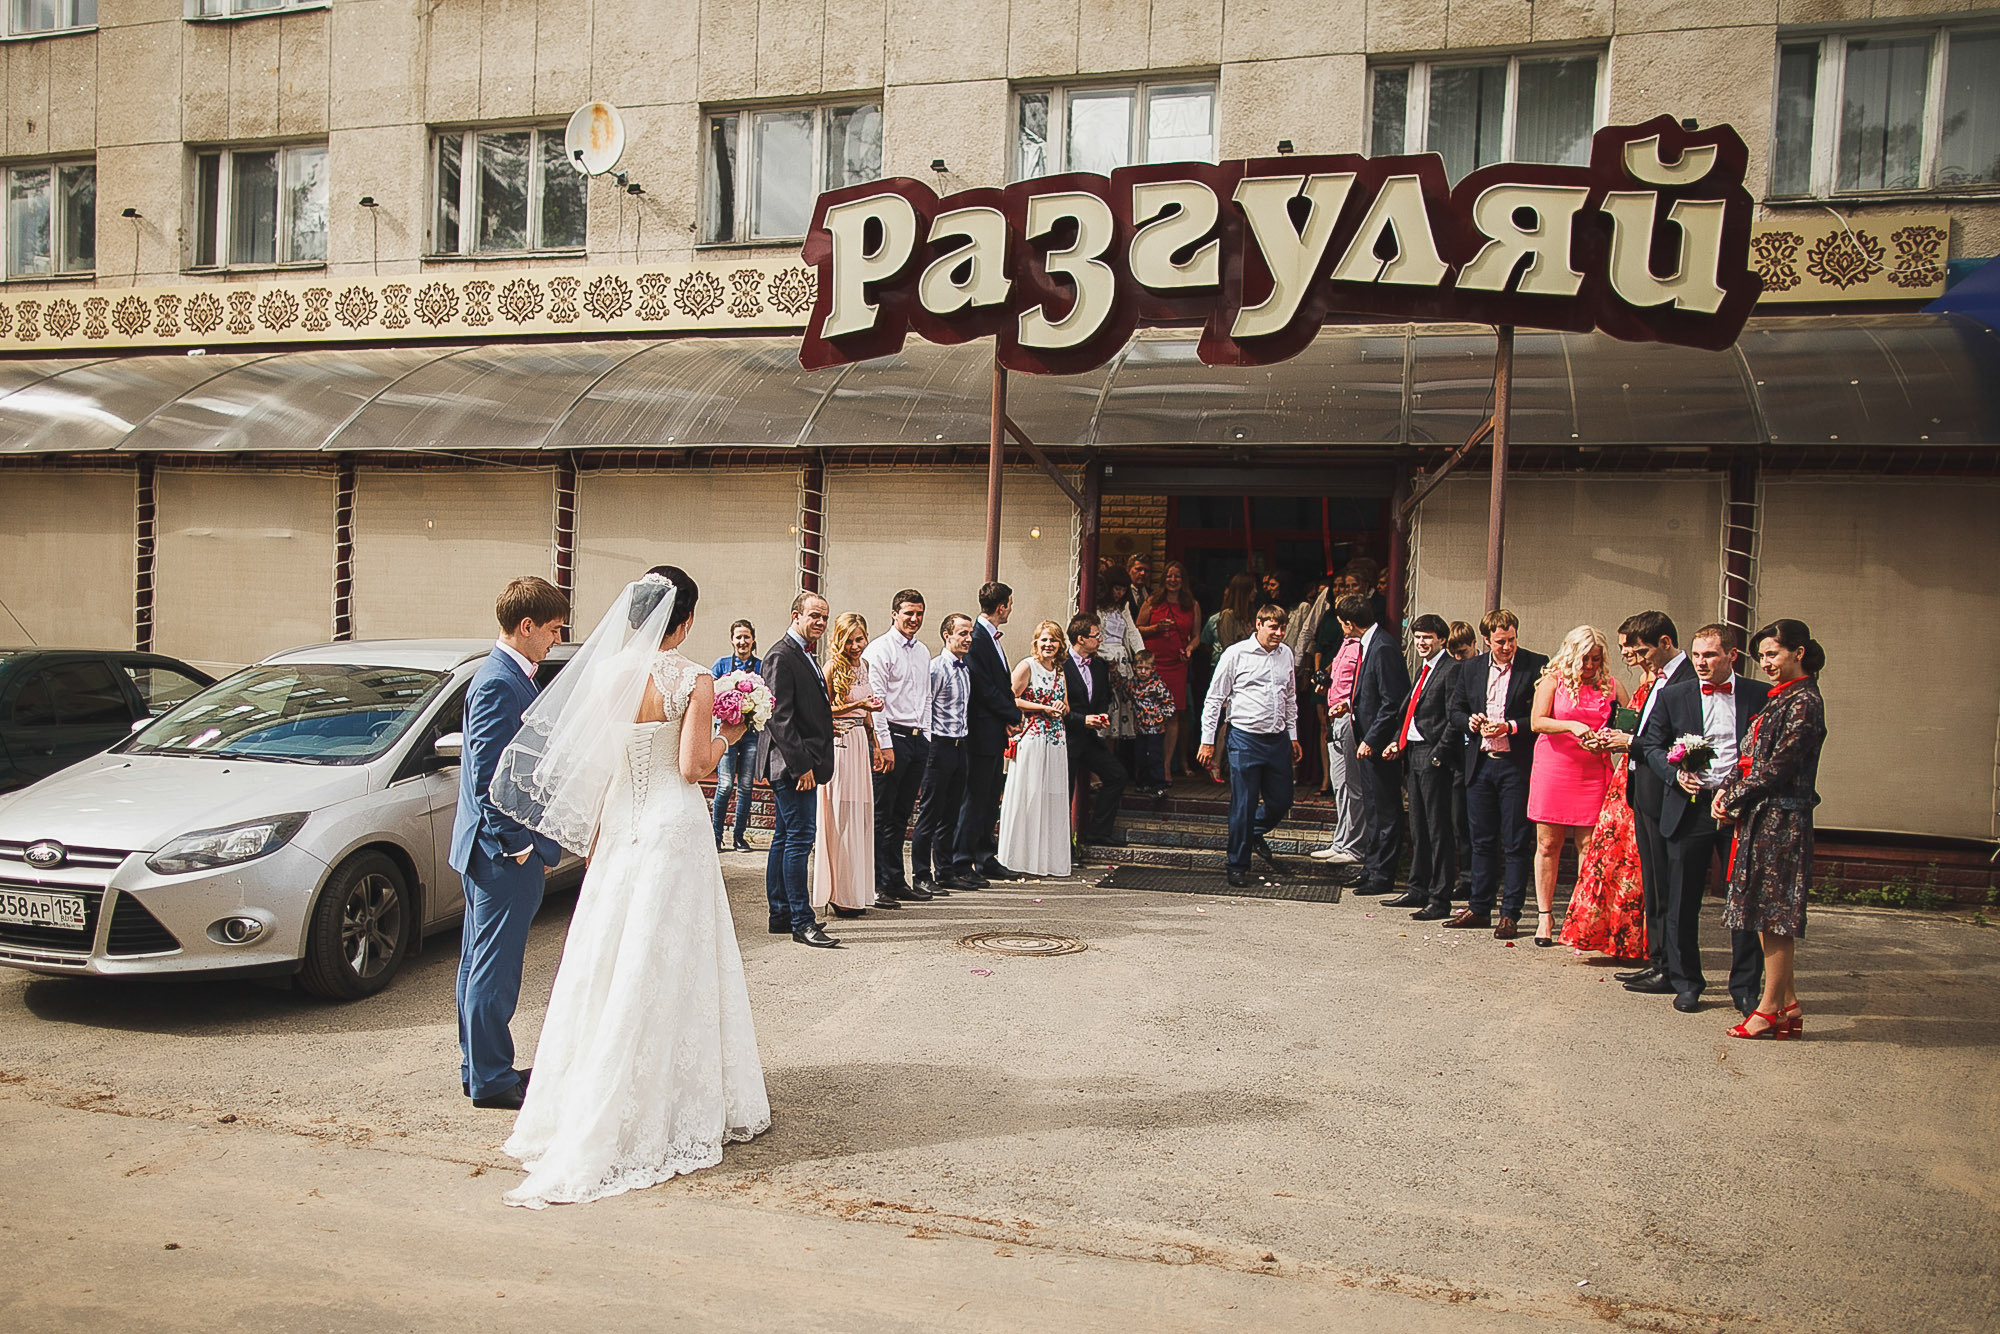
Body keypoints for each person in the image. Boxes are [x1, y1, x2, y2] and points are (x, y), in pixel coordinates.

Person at [490, 566, 768, 1206]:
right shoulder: (694, 677)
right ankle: (667, 1099)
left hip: (619, 826)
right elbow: (693, 766)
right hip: (672, 828)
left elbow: (592, 765)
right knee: (669, 961)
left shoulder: (605, 675)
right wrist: (732, 731)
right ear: (687, 621)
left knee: (609, 960)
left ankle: (587, 1094)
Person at [451, 576, 569, 1111]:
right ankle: (493, 1077)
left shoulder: (507, 675)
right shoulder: (500, 681)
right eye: (551, 630)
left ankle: (477, 1067)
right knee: (494, 970)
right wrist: (518, 844)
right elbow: (486, 778)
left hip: (489, 849)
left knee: (479, 963)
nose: (554, 640)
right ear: (526, 627)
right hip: (500, 853)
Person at [1634, 624, 1770, 1013]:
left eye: (1709, 655)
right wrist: (1674, 774)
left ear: (1732, 655)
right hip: (1690, 806)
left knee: (1742, 902)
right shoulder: (1674, 695)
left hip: (1740, 810)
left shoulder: (1759, 695)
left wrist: (1740, 792)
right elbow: (1652, 746)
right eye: (1696, 655)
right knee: (1681, 900)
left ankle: (1745, 988)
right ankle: (1686, 981)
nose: (1701, 662)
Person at [1714, 619, 1827, 1039]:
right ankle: (1789, 1003)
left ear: (1798, 652)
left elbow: (1780, 766)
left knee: (1776, 915)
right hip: (1761, 816)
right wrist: (1726, 791)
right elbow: (1748, 756)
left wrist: (1734, 795)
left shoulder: (1804, 702)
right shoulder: (1779, 699)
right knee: (1764, 913)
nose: (1766, 663)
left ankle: (1768, 1009)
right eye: (1762, 656)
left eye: (1774, 654)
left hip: (1784, 821)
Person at [1443, 610, 1547, 935]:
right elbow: (1455, 710)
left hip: (1515, 764)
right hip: (1481, 762)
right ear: (1486, 640)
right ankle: (1479, 907)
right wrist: (1469, 722)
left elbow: (1542, 716)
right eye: (1500, 641)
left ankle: (1510, 913)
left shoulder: (1535, 664)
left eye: (1512, 640)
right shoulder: (1471, 668)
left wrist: (1511, 726)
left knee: (1515, 842)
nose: (1507, 647)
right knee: (1482, 840)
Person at [1526, 626, 1628, 947]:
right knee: (1548, 845)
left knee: (1590, 847)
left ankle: (1583, 917)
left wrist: (1608, 741)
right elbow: (1537, 721)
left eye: (1596, 659)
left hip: (1593, 770)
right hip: (1555, 767)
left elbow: (1630, 724)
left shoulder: (1612, 686)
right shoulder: (1552, 681)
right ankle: (1545, 916)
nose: (1590, 666)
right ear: (1571, 654)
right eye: (1585, 659)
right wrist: (1572, 724)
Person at [1611, 611, 1695, 992]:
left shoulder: (1687, 680)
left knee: (1667, 887)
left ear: (1665, 642)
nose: (1639, 658)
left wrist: (1631, 744)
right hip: (1643, 791)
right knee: (1654, 885)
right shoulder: (1659, 679)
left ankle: (1671, 966)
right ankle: (1657, 958)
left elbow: (1676, 743)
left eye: (1644, 650)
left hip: (1666, 794)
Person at [1558, 633, 1652, 961]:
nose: (1625, 653)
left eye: (1630, 647)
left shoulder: (1627, 683)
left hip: (1627, 771)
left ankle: (1631, 940)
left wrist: (1614, 739)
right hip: (1620, 775)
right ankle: (1606, 935)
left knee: (1629, 862)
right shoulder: (1643, 679)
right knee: (1608, 858)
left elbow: (1632, 726)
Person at [1198, 604, 1301, 889]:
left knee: (1282, 799)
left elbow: (1290, 697)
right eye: (1273, 627)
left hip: (1277, 737)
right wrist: (1207, 741)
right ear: (1259, 624)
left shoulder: (1286, 654)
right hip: (1244, 737)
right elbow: (1214, 698)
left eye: (1282, 628)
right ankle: (1237, 864)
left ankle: (1251, 832)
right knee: (1243, 803)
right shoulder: (1236, 654)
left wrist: (1293, 735)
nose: (1279, 633)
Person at [759, 592, 839, 948]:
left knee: (784, 837)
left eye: (824, 617)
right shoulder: (781, 655)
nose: (820, 623)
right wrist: (802, 765)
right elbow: (780, 717)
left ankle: (780, 914)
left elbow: (806, 709)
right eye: (814, 616)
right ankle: (802, 922)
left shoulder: (805, 655)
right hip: (792, 765)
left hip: (799, 759)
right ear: (795, 615)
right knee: (799, 841)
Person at [863, 589, 934, 904]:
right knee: (882, 814)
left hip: (918, 739)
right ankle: (877, 884)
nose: (914, 619)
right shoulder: (879, 649)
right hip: (891, 736)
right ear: (894, 613)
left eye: (919, 614)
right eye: (909, 613)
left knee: (902, 814)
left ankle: (895, 880)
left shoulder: (922, 652)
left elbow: (926, 698)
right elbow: (875, 702)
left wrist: (928, 735)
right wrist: (884, 744)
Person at [1384, 614, 1456, 921]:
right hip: (1413, 752)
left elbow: (1454, 717)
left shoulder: (1450, 670)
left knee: (1438, 828)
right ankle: (1417, 887)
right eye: (1417, 638)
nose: (1421, 643)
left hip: (1433, 754)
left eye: (1427, 637)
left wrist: (1439, 754)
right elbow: (1413, 711)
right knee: (1418, 826)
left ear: (1441, 639)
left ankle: (1439, 897)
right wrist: (1398, 741)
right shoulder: (1424, 669)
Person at [814, 612, 886, 918]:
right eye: (851, 640)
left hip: (859, 743)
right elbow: (823, 709)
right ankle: (838, 893)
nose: (857, 645)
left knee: (859, 815)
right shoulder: (832, 667)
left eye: (861, 638)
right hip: (840, 744)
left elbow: (868, 713)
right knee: (840, 816)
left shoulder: (865, 666)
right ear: (840, 640)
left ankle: (856, 891)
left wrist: (877, 745)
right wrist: (858, 705)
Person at [955, 581, 1023, 884]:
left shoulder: (990, 638)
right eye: (1010, 603)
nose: (1010, 608)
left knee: (990, 795)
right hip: (980, 729)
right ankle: (961, 860)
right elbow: (983, 685)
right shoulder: (979, 637)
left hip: (994, 729)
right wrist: (1011, 713)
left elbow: (1001, 682)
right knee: (976, 796)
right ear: (1002, 606)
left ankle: (985, 856)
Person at [996, 620, 1072, 878]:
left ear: (1060, 644)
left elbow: (1066, 703)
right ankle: (1020, 857)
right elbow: (1011, 698)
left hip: (1055, 737)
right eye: (1044, 640)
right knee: (1029, 793)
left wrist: (1061, 708)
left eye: (1054, 640)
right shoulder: (1027, 666)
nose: (1049, 645)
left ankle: (1048, 859)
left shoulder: (1060, 671)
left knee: (1052, 795)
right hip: (1032, 735)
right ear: (1036, 642)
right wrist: (1042, 708)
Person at [1347, 594, 1410, 898]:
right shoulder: (1370, 644)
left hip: (1380, 744)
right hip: (1366, 739)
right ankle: (1371, 868)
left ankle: (1383, 873)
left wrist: (1371, 739)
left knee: (1385, 810)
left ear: (1348, 623)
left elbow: (1392, 701)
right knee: (1372, 807)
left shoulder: (1383, 647)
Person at [910, 614, 975, 894]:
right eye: (962, 633)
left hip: (960, 745)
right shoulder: (937, 669)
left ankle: (945, 870)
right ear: (947, 635)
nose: (969, 639)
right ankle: (922, 874)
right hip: (939, 745)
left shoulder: (965, 669)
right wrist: (928, 746)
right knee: (930, 812)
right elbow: (926, 706)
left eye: (970, 633)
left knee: (950, 813)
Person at [1308, 595, 1368, 865]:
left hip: (1348, 716)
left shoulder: (1364, 647)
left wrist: (1345, 703)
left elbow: (1361, 685)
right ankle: (1341, 840)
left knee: (1353, 785)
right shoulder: (1346, 643)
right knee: (1340, 783)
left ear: (1349, 622)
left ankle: (1354, 846)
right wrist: (1325, 681)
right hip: (1334, 716)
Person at [1061, 613, 1129, 848]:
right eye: (1096, 636)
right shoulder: (1061, 665)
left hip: (1089, 738)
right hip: (1067, 738)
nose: (1100, 639)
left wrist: (1101, 716)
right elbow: (1057, 706)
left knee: (1117, 775)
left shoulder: (1099, 665)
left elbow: (1104, 696)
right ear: (1081, 638)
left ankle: (1097, 832)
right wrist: (1083, 720)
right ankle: (1064, 846)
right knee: (1064, 791)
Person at [1136, 560, 1198, 780]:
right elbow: (1137, 630)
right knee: (1150, 712)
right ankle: (1146, 765)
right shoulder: (1152, 601)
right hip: (1153, 665)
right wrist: (1156, 628)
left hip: (1177, 664)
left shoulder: (1191, 604)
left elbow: (1196, 635)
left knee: (1173, 714)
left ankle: (1165, 766)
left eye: (1177, 576)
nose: (1173, 580)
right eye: (1169, 576)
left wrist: (1190, 649)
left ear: (1183, 580)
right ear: (1163, 579)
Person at [710, 620, 762, 853]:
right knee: (724, 785)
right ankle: (716, 836)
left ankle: (739, 837)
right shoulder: (721, 665)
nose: (742, 642)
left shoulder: (760, 667)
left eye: (746, 637)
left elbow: (767, 698)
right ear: (732, 640)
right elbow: (710, 696)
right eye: (738, 637)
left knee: (746, 786)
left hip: (751, 734)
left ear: (753, 639)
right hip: (726, 734)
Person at [1442, 620, 1478, 902]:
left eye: (1463, 653)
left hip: (1479, 750)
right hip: (1457, 753)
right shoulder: (1453, 670)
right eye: (1453, 653)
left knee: (1475, 820)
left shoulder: (1479, 670)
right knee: (1458, 820)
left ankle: (1475, 876)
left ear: (1474, 646)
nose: (1458, 659)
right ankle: (1465, 876)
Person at [1095, 571, 1147, 749]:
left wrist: (1142, 654)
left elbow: (1132, 631)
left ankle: (1111, 759)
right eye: (1117, 589)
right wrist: (1107, 657)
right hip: (1104, 658)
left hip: (1123, 660)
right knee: (1106, 707)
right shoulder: (1098, 609)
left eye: (1123, 590)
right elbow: (1095, 637)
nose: (1120, 593)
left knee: (1120, 710)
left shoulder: (1123, 607)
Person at [1126, 649, 1175, 798]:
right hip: (1140, 728)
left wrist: (1160, 718)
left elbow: (1170, 704)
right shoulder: (1132, 684)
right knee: (1141, 756)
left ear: (1153, 669)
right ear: (1134, 667)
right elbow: (1122, 692)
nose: (1142, 672)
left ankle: (1159, 785)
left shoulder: (1157, 685)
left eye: (1146, 669)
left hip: (1155, 728)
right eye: (1139, 668)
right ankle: (1143, 783)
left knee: (1155, 756)